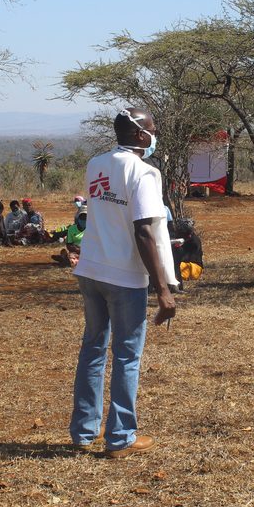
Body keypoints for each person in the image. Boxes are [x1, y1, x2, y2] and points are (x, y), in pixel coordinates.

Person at [71, 107, 177, 459]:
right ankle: (120, 437)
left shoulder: (96, 164)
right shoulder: (144, 172)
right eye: (151, 129)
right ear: (138, 135)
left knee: (93, 350)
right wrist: (162, 288)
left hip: (91, 268)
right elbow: (144, 229)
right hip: (124, 276)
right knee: (127, 355)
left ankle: (85, 432)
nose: (154, 134)